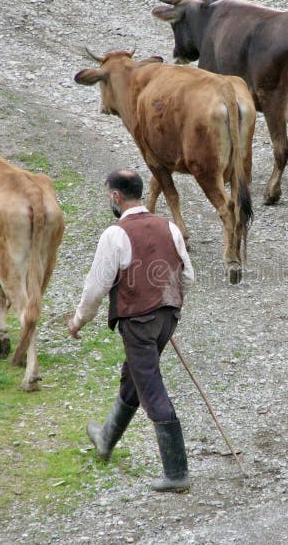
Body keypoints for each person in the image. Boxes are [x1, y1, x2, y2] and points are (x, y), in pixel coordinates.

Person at [68, 169, 195, 492]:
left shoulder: (115, 234)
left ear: (116, 196)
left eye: (108, 195)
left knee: (151, 388)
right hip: (167, 317)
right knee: (135, 378)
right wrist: (167, 305)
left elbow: (97, 287)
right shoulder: (168, 226)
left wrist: (78, 320)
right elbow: (188, 277)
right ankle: (106, 438)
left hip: (138, 323)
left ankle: (176, 472)